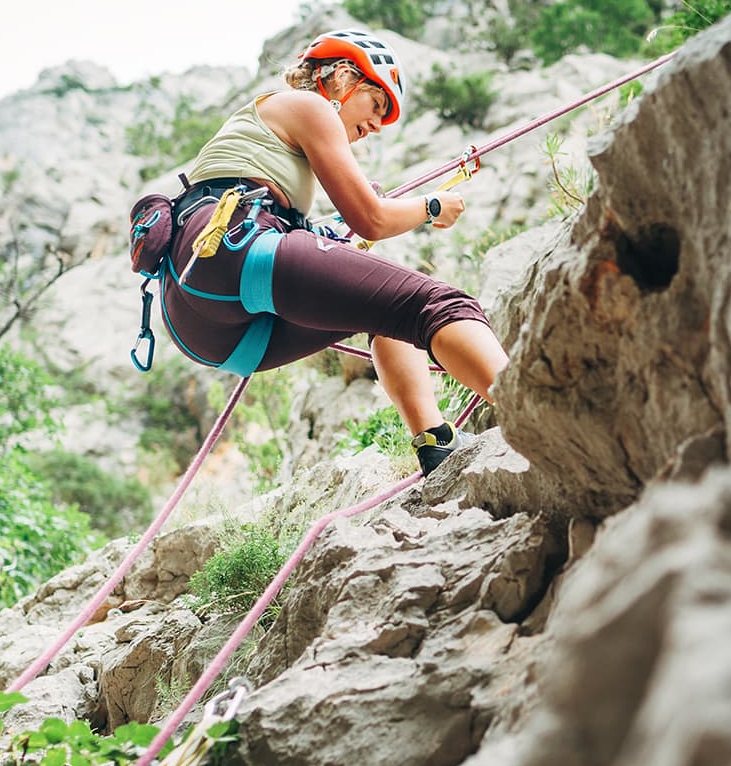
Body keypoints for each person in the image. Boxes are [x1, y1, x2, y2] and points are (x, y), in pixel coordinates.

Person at [158, 28, 508, 475]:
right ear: (342, 78)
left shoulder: (268, 138)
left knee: (385, 311)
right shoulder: (309, 105)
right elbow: (373, 220)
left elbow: (351, 223)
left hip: (210, 328)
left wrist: (336, 230)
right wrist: (431, 206)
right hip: (236, 256)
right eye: (376, 105)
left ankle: (436, 445)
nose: (375, 127)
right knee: (438, 305)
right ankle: (531, 407)